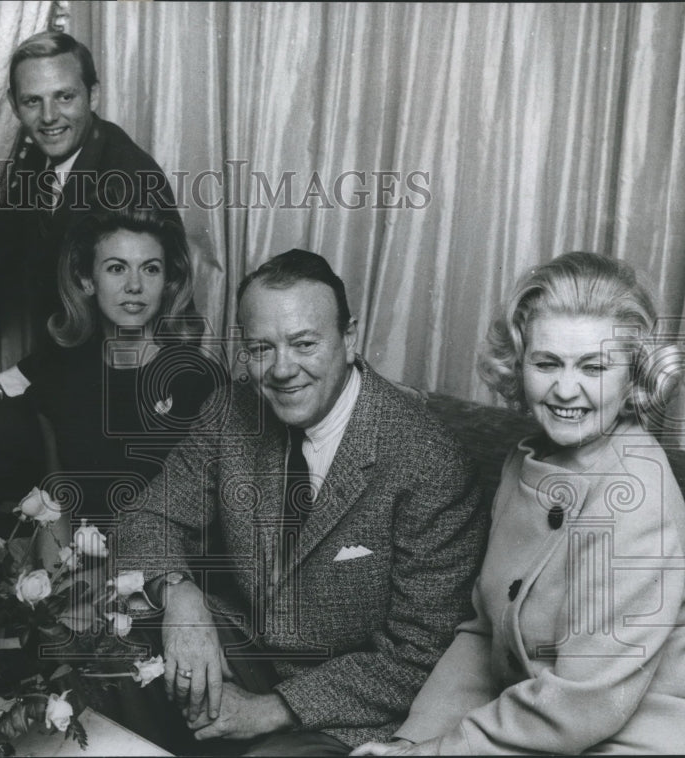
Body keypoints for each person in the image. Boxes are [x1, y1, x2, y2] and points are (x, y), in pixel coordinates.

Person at [115, 249, 488, 755]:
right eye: (261, 348)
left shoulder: (428, 459)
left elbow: (421, 654)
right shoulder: (231, 409)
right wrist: (179, 594)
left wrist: (269, 711)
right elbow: (148, 515)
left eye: (304, 343)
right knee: (113, 636)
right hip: (248, 650)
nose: (282, 369)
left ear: (349, 339)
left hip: (349, 709)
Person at [353, 251, 685, 755]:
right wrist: (410, 741)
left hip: (625, 741)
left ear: (632, 374)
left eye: (593, 366)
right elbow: (483, 637)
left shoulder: (637, 494)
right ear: (518, 362)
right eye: (546, 362)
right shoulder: (523, 462)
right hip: (527, 732)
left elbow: (580, 704)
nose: (565, 389)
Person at [0, 30, 180, 414]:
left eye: (65, 96)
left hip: (128, 390)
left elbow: (112, 329)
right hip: (66, 370)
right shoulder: (41, 158)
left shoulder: (127, 182)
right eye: (33, 101)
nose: (50, 117)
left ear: (94, 96)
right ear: (13, 105)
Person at [0, 205, 225, 522]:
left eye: (150, 269)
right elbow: (56, 505)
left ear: (168, 281)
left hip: (169, 565)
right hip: (79, 562)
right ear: (87, 280)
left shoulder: (198, 380)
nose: (135, 285)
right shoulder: (59, 376)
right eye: (116, 268)